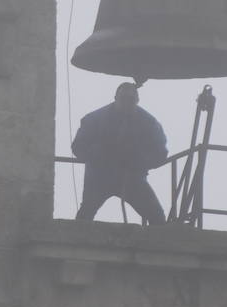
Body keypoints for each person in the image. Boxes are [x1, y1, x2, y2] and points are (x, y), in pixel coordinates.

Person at [72, 82, 168, 224]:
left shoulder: (149, 123)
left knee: (157, 217)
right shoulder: (94, 119)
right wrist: (98, 154)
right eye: (124, 99)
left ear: (137, 101)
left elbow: (160, 153)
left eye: (131, 100)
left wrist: (140, 161)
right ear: (116, 98)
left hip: (132, 177)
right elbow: (78, 147)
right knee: (85, 214)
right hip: (100, 176)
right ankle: (77, 241)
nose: (127, 103)